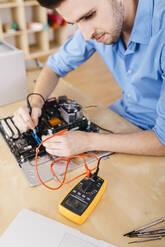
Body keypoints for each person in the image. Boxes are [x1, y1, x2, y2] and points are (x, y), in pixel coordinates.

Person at [13, 0, 165, 157]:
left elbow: (163, 140)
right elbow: (53, 67)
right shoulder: (102, 21)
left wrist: (88, 141)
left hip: (155, 140)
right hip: (124, 116)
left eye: (89, 16)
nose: (86, 35)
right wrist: (35, 104)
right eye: (75, 23)